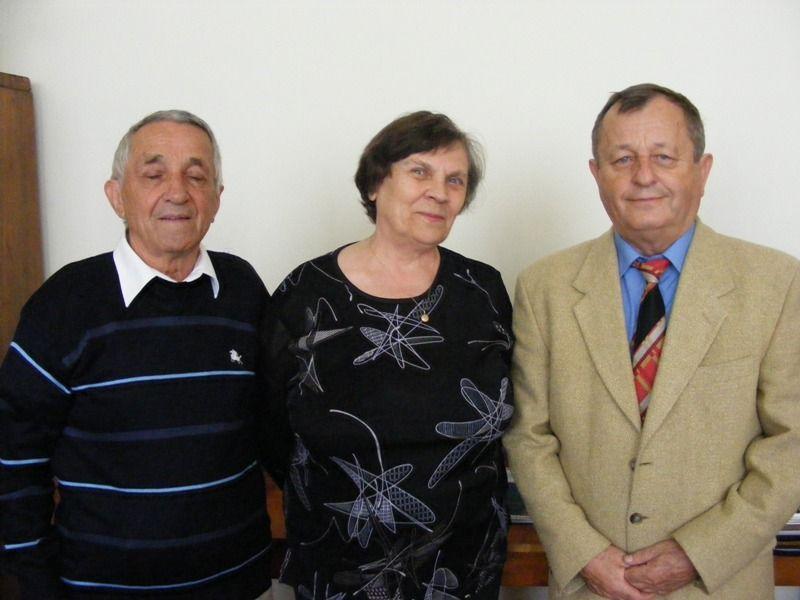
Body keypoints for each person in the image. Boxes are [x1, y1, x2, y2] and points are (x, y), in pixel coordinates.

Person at [504, 82, 800, 599]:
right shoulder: (543, 287)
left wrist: (698, 553)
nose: (643, 176)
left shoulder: (776, 283)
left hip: (719, 584)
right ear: (596, 174)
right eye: (622, 159)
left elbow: (791, 443)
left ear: (702, 170)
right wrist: (586, 554)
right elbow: (528, 437)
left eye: (664, 156)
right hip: (590, 586)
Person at [0, 110, 283, 599]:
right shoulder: (64, 304)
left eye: (197, 176)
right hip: (102, 589)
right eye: (154, 174)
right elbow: (14, 456)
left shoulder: (243, 290)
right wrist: (37, 582)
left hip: (240, 581)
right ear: (116, 196)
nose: (178, 192)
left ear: (217, 198)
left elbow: (275, 425)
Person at [268, 111, 514, 599]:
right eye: (420, 172)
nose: (439, 192)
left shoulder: (482, 291)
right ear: (375, 184)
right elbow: (270, 424)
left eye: (455, 180)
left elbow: (509, 413)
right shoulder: (307, 293)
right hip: (342, 564)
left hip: (462, 565)